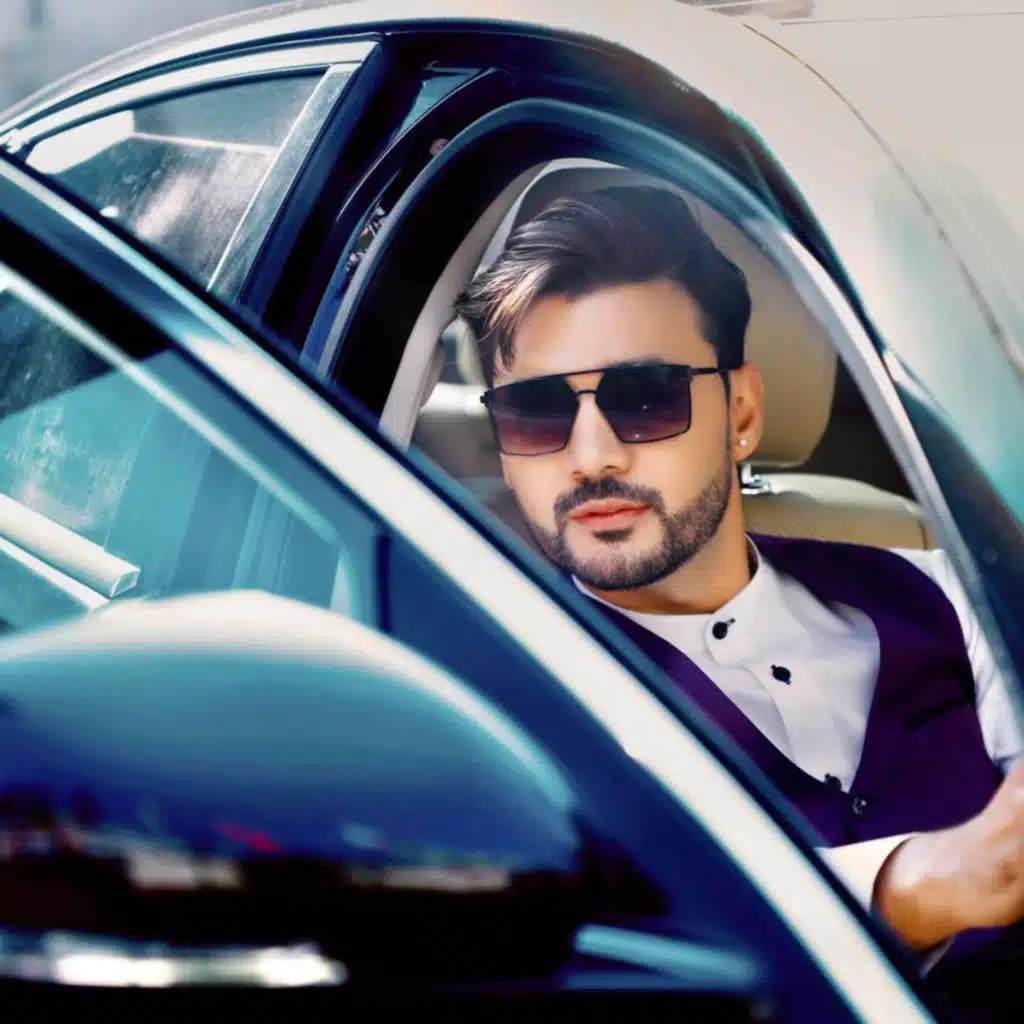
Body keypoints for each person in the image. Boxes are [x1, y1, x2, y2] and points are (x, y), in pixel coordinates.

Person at [454, 185, 1024, 963]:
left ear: (743, 413)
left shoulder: (943, 590)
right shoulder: (493, 710)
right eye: (537, 413)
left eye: (645, 398)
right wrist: (913, 888)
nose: (591, 457)